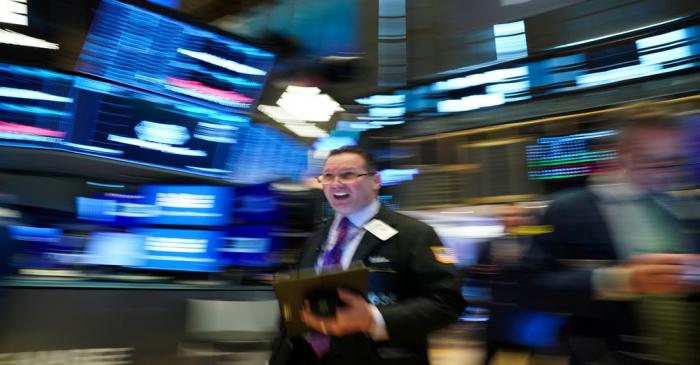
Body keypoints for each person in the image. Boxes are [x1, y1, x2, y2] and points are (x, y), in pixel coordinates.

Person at [518, 103, 700, 365]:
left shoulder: (688, 207)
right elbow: (530, 287)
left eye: (673, 163)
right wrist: (620, 280)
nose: (664, 175)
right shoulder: (569, 210)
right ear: (622, 153)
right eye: (651, 163)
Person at [269, 146, 465, 365]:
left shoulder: (414, 234)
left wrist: (374, 319)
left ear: (375, 181)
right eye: (328, 176)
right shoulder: (316, 237)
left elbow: (447, 302)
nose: (335, 183)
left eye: (347, 175)